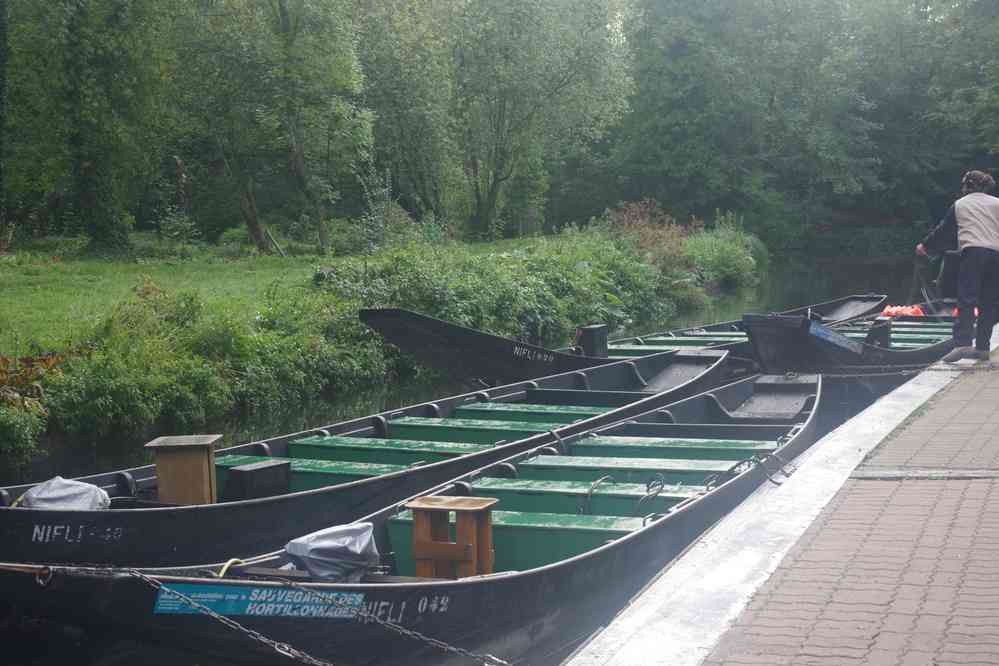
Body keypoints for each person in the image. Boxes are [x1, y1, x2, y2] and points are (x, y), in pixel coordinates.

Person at [916, 170, 999, 362]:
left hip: (973, 252)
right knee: (989, 302)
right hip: (996, 254)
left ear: (967, 186)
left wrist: (925, 246)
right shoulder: (997, 203)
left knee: (967, 299)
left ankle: (963, 344)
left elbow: (944, 231)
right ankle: (982, 348)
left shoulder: (960, 204)